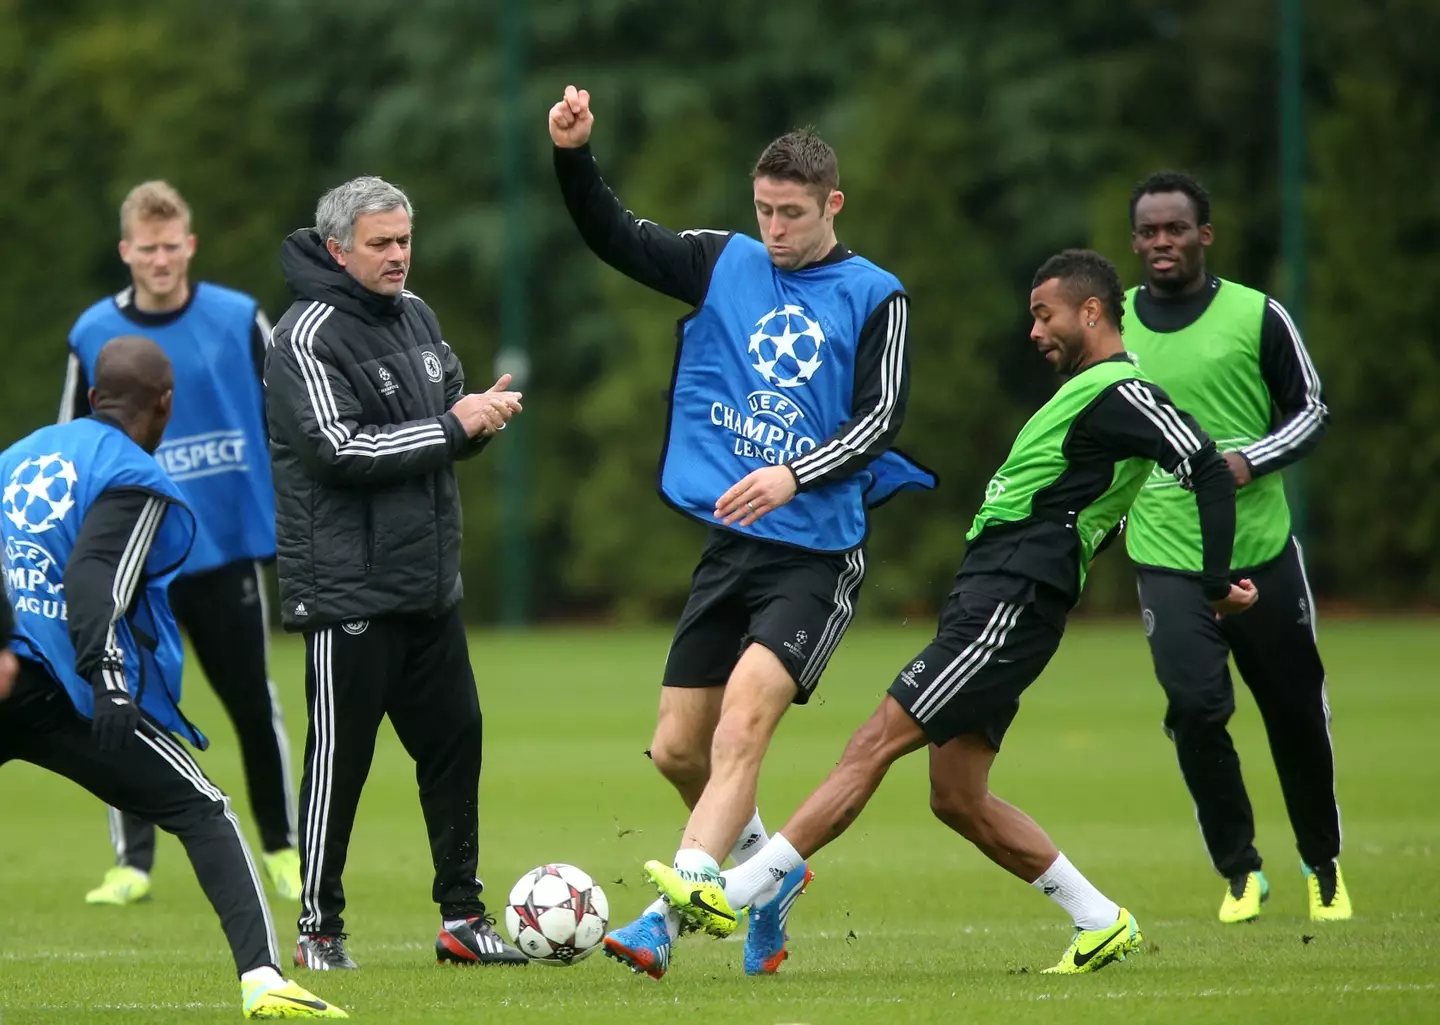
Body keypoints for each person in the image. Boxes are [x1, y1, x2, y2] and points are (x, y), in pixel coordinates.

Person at [646, 250, 1257, 974]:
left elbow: (1206, 464)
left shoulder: (1122, 390)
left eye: (1044, 313)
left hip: (1014, 597)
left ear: (1092, 311)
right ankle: (1100, 919)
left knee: (872, 742)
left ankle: (742, 886)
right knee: (958, 795)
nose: (1034, 330)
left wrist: (1214, 581)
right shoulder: (1091, 391)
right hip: (997, 595)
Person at [549, 85, 936, 979]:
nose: (775, 230)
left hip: (816, 552)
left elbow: (882, 419)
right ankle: (767, 882)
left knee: (740, 732)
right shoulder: (723, 260)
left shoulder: (877, 295)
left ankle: (667, 912)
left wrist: (793, 471)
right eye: (763, 210)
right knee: (678, 747)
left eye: (792, 214)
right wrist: (574, 156)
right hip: (734, 546)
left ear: (832, 204)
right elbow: (616, 234)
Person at [0, 335, 344, 1019]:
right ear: (165, 406)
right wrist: (110, 679)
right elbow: (93, 578)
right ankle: (263, 980)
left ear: (95, 398)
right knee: (203, 809)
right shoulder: (132, 476)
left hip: (9, 660)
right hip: (59, 685)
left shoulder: (20, 453)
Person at [265, 176, 527, 970]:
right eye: (381, 243)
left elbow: (442, 421)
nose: (398, 256)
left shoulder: (417, 316)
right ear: (338, 247)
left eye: (405, 240)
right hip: (347, 588)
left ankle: (463, 918)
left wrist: (477, 417)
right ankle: (318, 929)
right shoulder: (302, 337)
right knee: (339, 764)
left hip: (426, 585)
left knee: (456, 744)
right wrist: (454, 424)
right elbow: (337, 450)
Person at [60, 180, 299, 907]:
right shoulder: (93, 332)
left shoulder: (236, 318)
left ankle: (283, 849)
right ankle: (133, 862)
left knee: (252, 704)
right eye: (147, 248)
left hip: (224, 549)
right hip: (132, 558)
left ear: (188, 245)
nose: (160, 260)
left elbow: (289, 411)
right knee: (122, 697)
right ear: (126, 250)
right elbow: (74, 442)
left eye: (172, 246)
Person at [1122, 171, 1347, 923]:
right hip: (1165, 554)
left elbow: (1311, 409)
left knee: (1292, 709)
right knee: (1193, 707)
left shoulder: (1257, 315)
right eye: (1149, 231)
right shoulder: (1113, 323)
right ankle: (1241, 870)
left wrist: (1251, 458)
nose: (1162, 241)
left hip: (1259, 546)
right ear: (1135, 241)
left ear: (1203, 236)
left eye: (1176, 229)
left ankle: (1323, 864)